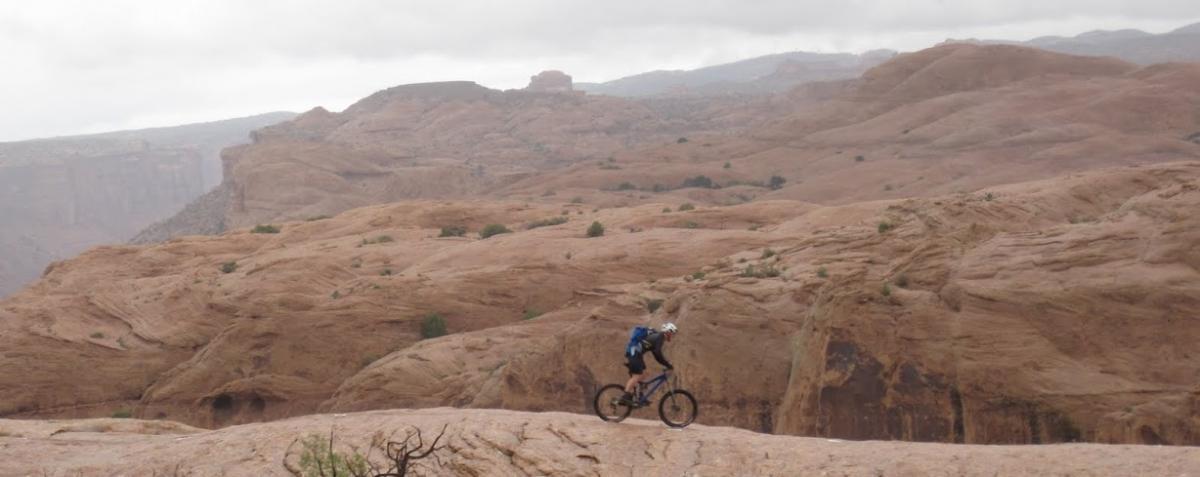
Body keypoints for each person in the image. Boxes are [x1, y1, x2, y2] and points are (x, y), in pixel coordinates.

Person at [621, 322, 677, 405]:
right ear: (668, 332)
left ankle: (640, 396)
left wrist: (666, 364)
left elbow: (656, 355)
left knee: (645, 374)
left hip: (636, 354)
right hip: (634, 353)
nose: (672, 336)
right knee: (637, 375)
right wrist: (667, 364)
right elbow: (658, 353)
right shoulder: (660, 337)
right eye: (672, 333)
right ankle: (625, 396)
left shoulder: (657, 337)